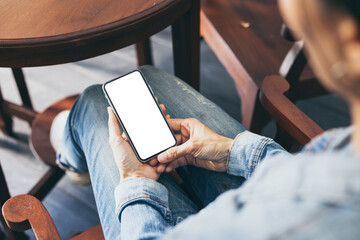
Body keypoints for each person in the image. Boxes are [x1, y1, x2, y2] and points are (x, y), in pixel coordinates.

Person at [52, 0, 360, 239]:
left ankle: (70, 152)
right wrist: (230, 151)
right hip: (257, 192)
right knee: (147, 78)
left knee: (94, 101)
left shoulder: (303, 213)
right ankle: (72, 145)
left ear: (352, 43)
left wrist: (137, 183)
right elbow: (308, 167)